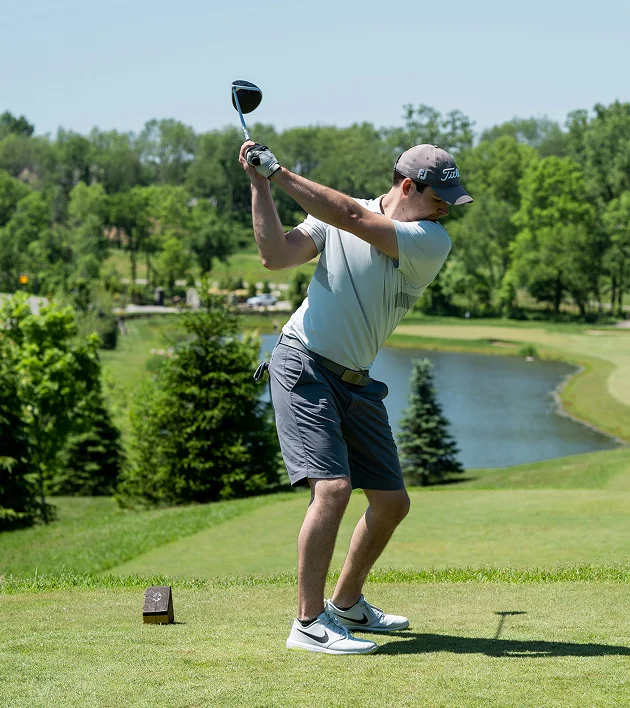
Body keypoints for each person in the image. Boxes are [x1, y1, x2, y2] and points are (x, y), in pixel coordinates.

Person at [239, 141, 473, 655]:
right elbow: (276, 256)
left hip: (356, 380)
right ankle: (307, 623)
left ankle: (345, 604)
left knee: (391, 502)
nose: (447, 209)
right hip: (303, 360)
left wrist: (277, 170)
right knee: (334, 489)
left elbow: (347, 214)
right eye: (441, 197)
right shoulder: (342, 217)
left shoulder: (428, 239)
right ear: (408, 187)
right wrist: (261, 186)